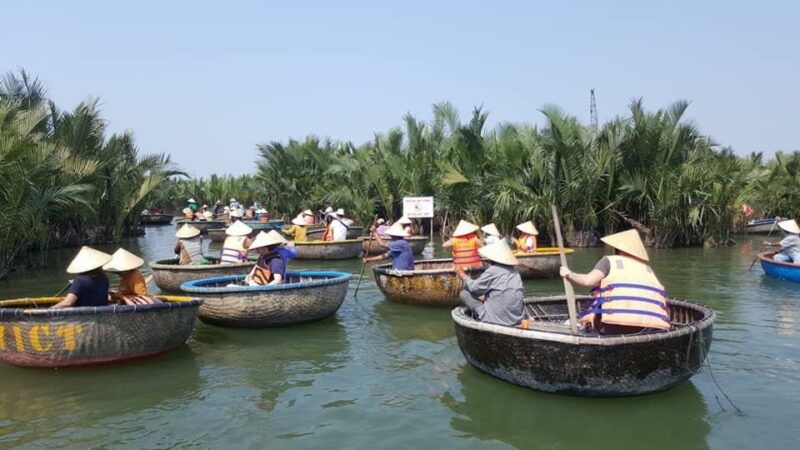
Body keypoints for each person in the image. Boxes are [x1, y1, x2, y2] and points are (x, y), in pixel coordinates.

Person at [559, 229, 670, 334]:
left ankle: (586, 324)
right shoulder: (647, 269)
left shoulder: (609, 261)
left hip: (613, 326)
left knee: (596, 295)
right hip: (650, 328)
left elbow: (588, 281)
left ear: (617, 249)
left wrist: (568, 274)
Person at [455, 240, 524, 327]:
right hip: (516, 319)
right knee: (484, 295)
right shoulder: (515, 271)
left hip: (494, 320)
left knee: (464, 293)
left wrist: (461, 274)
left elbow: (473, 288)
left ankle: (478, 316)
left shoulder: (493, 271)